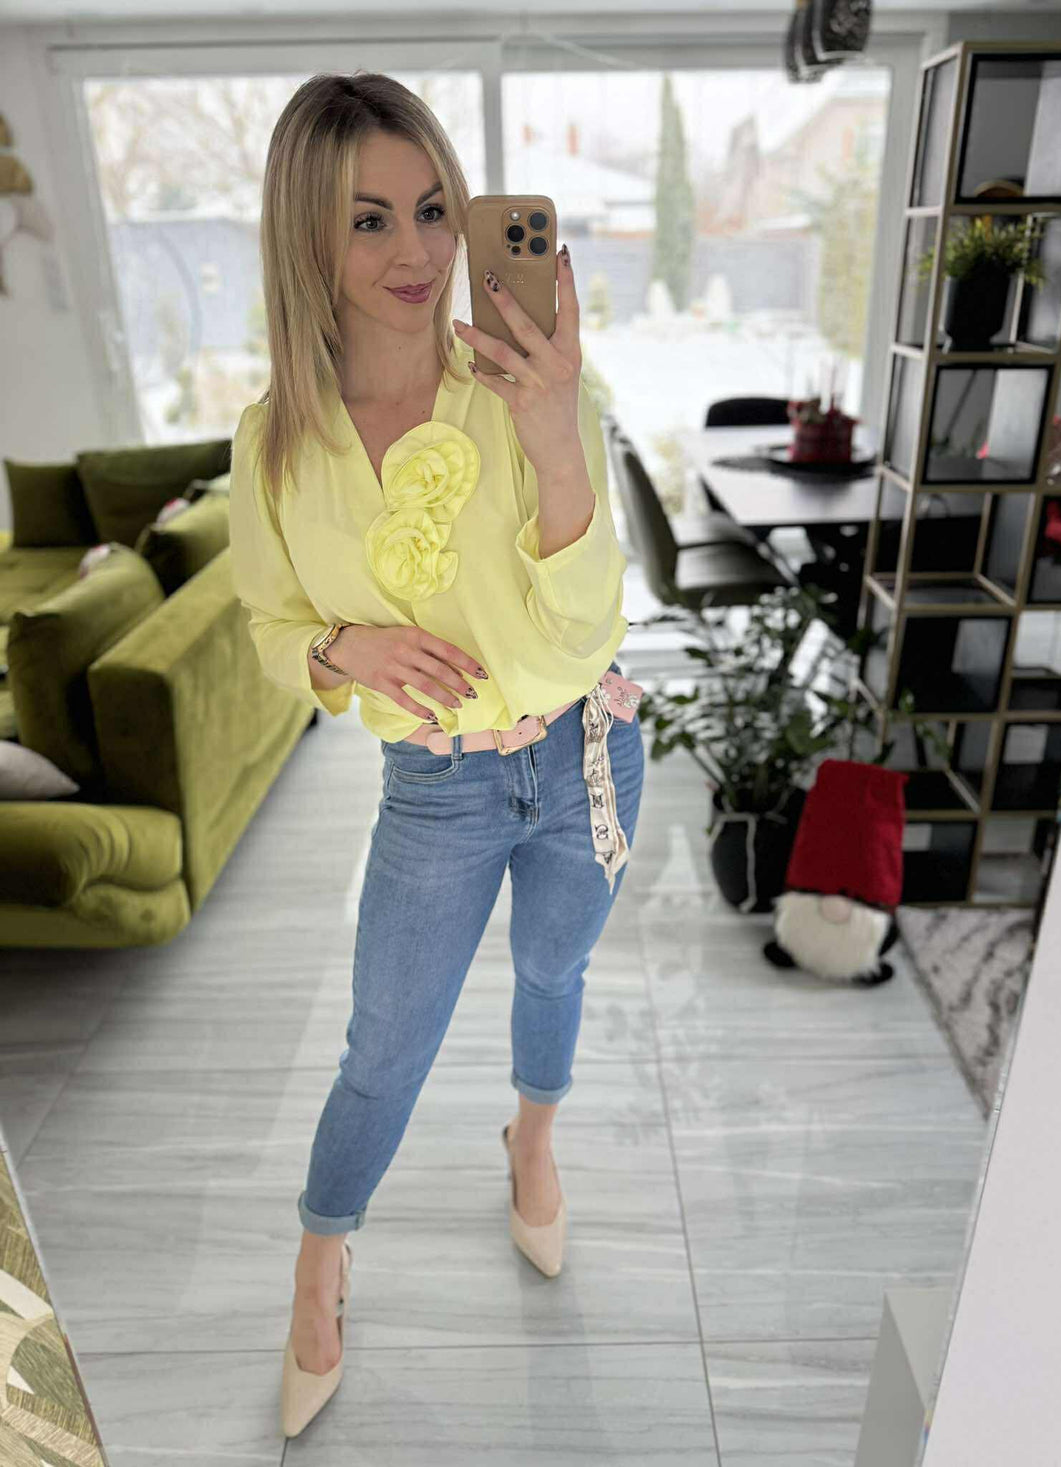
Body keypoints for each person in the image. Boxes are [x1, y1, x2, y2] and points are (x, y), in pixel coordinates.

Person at [227, 71, 645, 1436]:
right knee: (386, 1043)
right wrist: (342, 645)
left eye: (432, 210)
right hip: (438, 786)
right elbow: (266, 625)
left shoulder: (530, 388)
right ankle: (320, 1258)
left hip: (586, 750)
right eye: (368, 220)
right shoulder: (274, 445)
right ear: (307, 237)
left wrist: (554, 440)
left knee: (554, 970)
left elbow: (585, 627)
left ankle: (533, 1138)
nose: (415, 252)